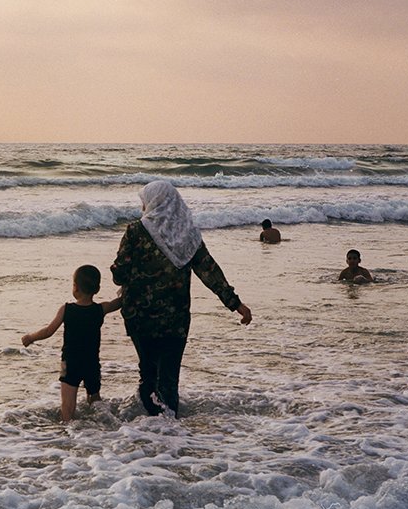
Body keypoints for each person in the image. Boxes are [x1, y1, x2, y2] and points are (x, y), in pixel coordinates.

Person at [111, 181, 252, 418]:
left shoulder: (136, 231)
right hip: (175, 319)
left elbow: (119, 275)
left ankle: (149, 432)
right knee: (169, 378)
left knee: (147, 373)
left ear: (153, 202)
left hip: (140, 317)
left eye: (144, 201)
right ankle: (170, 431)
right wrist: (236, 304)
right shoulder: (189, 236)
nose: (143, 206)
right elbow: (210, 272)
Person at [21, 265, 122, 422]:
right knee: (95, 400)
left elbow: (48, 331)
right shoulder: (100, 309)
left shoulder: (66, 309)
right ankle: (101, 429)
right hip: (92, 362)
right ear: (97, 289)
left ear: (75, 287)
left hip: (71, 362)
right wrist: (128, 290)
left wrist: (30, 337)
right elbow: (118, 303)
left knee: (67, 406)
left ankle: (69, 434)